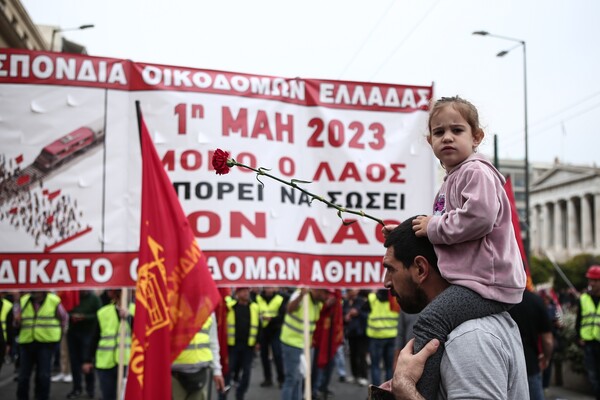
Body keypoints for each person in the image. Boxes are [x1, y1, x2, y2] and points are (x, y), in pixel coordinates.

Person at [402, 96, 526, 398]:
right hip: (476, 282)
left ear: (476, 137)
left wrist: (432, 226)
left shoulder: (475, 171)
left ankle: (419, 393)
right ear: (429, 139)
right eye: (439, 131)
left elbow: (478, 218)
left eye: (457, 130)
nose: (447, 137)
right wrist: (407, 233)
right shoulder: (454, 177)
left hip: (486, 283)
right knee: (435, 323)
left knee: (431, 320)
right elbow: (446, 226)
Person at [379, 217, 528, 399]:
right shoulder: (463, 332)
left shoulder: (470, 338)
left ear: (420, 269)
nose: (386, 282)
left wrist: (405, 390)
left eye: (391, 269)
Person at [15, 291, 69, 400]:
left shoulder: (53, 300)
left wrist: (59, 334)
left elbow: (64, 318)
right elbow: (16, 323)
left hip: (46, 343)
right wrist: (17, 320)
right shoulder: (24, 301)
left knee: (43, 375)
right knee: (23, 376)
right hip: (27, 341)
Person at [82, 289, 132, 400]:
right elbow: (94, 337)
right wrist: (87, 360)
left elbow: (143, 334)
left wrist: (129, 317)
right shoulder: (103, 312)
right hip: (105, 363)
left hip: (128, 363)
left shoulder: (137, 310)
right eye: (115, 292)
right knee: (108, 396)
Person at [280, 288, 329, 400]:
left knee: (300, 379)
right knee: (291, 379)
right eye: (325, 293)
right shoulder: (300, 294)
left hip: (305, 346)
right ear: (317, 290)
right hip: (291, 343)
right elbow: (289, 309)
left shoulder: (318, 303)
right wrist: (301, 296)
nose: (326, 296)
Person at [508, 289, 554, 400]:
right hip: (530, 363)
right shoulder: (536, 300)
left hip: (503, 363)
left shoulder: (499, 300)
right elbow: (547, 339)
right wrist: (546, 358)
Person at [172, 312, 226, 400]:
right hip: (175, 376)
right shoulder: (171, 305)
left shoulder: (208, 308)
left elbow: (213, 343)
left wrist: (217, 371)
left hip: (200, 374)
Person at [220, 287, 259, 400]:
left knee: (246, 373)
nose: (246, 293)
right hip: (233, 346)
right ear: (237, 294)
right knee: (228, 371)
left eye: (247, 290)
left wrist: (258, 341)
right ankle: (223, 394)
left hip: (248, 346)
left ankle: (240, 393)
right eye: (243, 291)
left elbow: (259, 326)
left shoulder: (254, 307)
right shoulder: (230, 306)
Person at [66, 290, 102, 399]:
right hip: (73, 332)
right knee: (74, 361)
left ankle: (90, 389)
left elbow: (100, 314)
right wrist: (71, 316)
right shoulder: (72, 297)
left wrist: (85, 317)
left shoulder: (94, 299)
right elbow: (64, 311)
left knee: (87, 361)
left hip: (88, 332)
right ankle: (77, 388)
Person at [364, 289, 398, 385]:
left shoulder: (372, 298)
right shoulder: (394, 299)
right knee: (389, 367)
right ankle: (388, 392)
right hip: (391, 336)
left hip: (376, 337)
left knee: (375, 366)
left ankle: (376, 393)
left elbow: (363, 309)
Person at [576, 265, 600, 400]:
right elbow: (579, 319)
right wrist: (579, 336)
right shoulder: (583, 298)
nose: (592, 283)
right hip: (589, 343)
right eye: (590, 280)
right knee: (593, 377)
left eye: (595, 280)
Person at [256, 287, 287, 388]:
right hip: (263, 330)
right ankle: (267, 378)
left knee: (277, 354)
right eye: (267, 287)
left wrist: (271, 319)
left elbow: (283, 316)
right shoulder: (258, 298)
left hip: (275, 329)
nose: (269, 289)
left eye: (271, 287)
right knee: (264, 355)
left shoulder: (280, 298)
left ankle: (281, 379)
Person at [342, 289, 369, 387]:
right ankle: (355, 375)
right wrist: (345, 317)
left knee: (361, 355)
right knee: (352, 355)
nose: (351, 292)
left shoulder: (362, 301)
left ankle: (363, 376)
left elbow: (367, 315)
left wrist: (358, 313)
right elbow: (342, 315)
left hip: (361, 332)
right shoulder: (345, 302)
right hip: (350, 332)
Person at [0, 293, 15, 374]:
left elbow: (9, 326)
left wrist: (9, 343)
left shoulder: (7, 305)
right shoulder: (8, 304)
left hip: (2, 340)